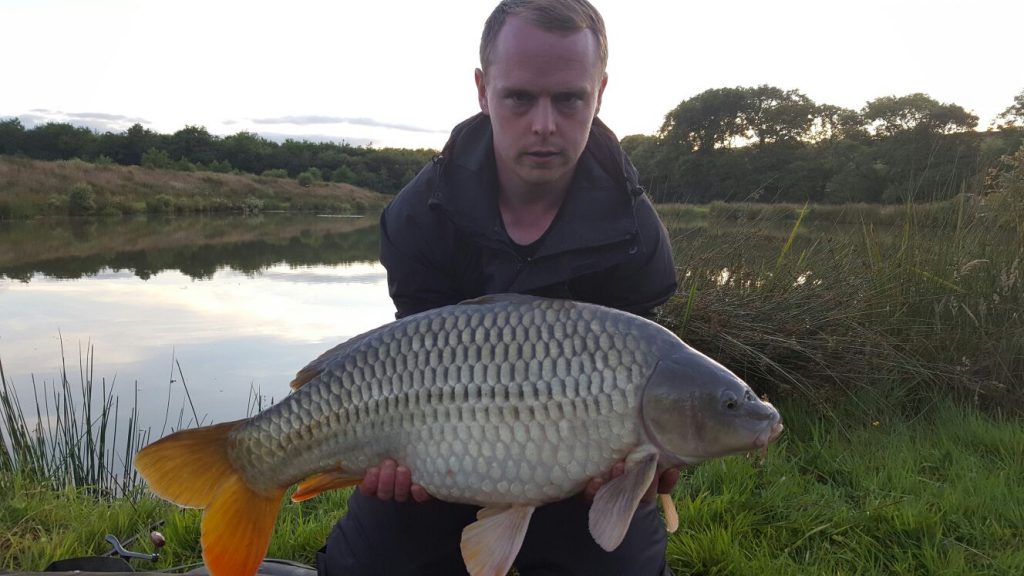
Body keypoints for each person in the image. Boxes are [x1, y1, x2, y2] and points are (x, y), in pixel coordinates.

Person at [317, 1, 679, 574]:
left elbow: (643, 378)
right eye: (519, 98)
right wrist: (401, 461)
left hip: (578, 473)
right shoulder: (419, 216)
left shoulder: (635, 234)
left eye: (569, 99)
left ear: (600, 92)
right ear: (483, 90)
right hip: (441, 459)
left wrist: (635, 470)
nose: (543, 124)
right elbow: (412, 365)